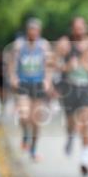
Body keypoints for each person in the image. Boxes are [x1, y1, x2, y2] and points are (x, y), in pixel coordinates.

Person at [55, 17, 88, 175]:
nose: (79, 30)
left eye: (82, 27)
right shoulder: (64, 43)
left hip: (87, 88)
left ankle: (85, 159)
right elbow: (53, 63)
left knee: (86, 122)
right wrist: (66, 66)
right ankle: (70, 136)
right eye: (76, 27)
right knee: (71, 123)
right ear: (72, 29)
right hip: (69, 88)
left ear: (86, 28)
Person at [7, 18, 53, 161]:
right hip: (24, 83)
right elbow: (11, 63)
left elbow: (49, 65)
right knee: (24, 116)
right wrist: (13, 77)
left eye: (36, 30)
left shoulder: (44, 45)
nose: (33, 32)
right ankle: (25, 134)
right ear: (27, 31)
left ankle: (33, 149)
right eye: (31, 29)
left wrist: (47, 80)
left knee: (36, 120)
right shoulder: (19, 45)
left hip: (38, 84)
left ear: (39, 31)